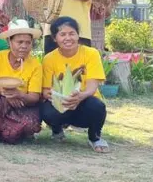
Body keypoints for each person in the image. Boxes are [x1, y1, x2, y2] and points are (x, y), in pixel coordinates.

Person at [41, 16, 109, 153]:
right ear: (55, 38)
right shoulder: (49, 59)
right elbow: (45, 90)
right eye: (62, 34)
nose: (68, 38)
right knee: (45, 111)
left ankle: (94, 137)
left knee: (98, 106)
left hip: (84, 101)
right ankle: (57, 129)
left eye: (72, 33)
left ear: (78, 35)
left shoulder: (91, 53)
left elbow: (91, 88)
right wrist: (55, 96)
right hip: (60, 102)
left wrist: (79, 97)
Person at [0, 20, 44, 144]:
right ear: (9, 42)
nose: (24, 46)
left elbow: (34, 97)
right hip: (0, 103)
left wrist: (19, 95)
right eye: (19, 42)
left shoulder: (35, 64)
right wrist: (7, 93)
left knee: (26, 126)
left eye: (28, 43)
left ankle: (10, 129)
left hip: (23, 105)